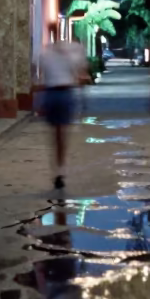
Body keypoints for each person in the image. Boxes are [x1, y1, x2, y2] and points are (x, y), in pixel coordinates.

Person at [38, 37, 88, 191]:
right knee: (62, 134)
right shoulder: (72, 53)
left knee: (54, 135)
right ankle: (60, 169)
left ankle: (57, 169)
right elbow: (80, 74)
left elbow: (41, 75)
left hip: (51, 93)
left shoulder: (45, 54)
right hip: (65, 93)